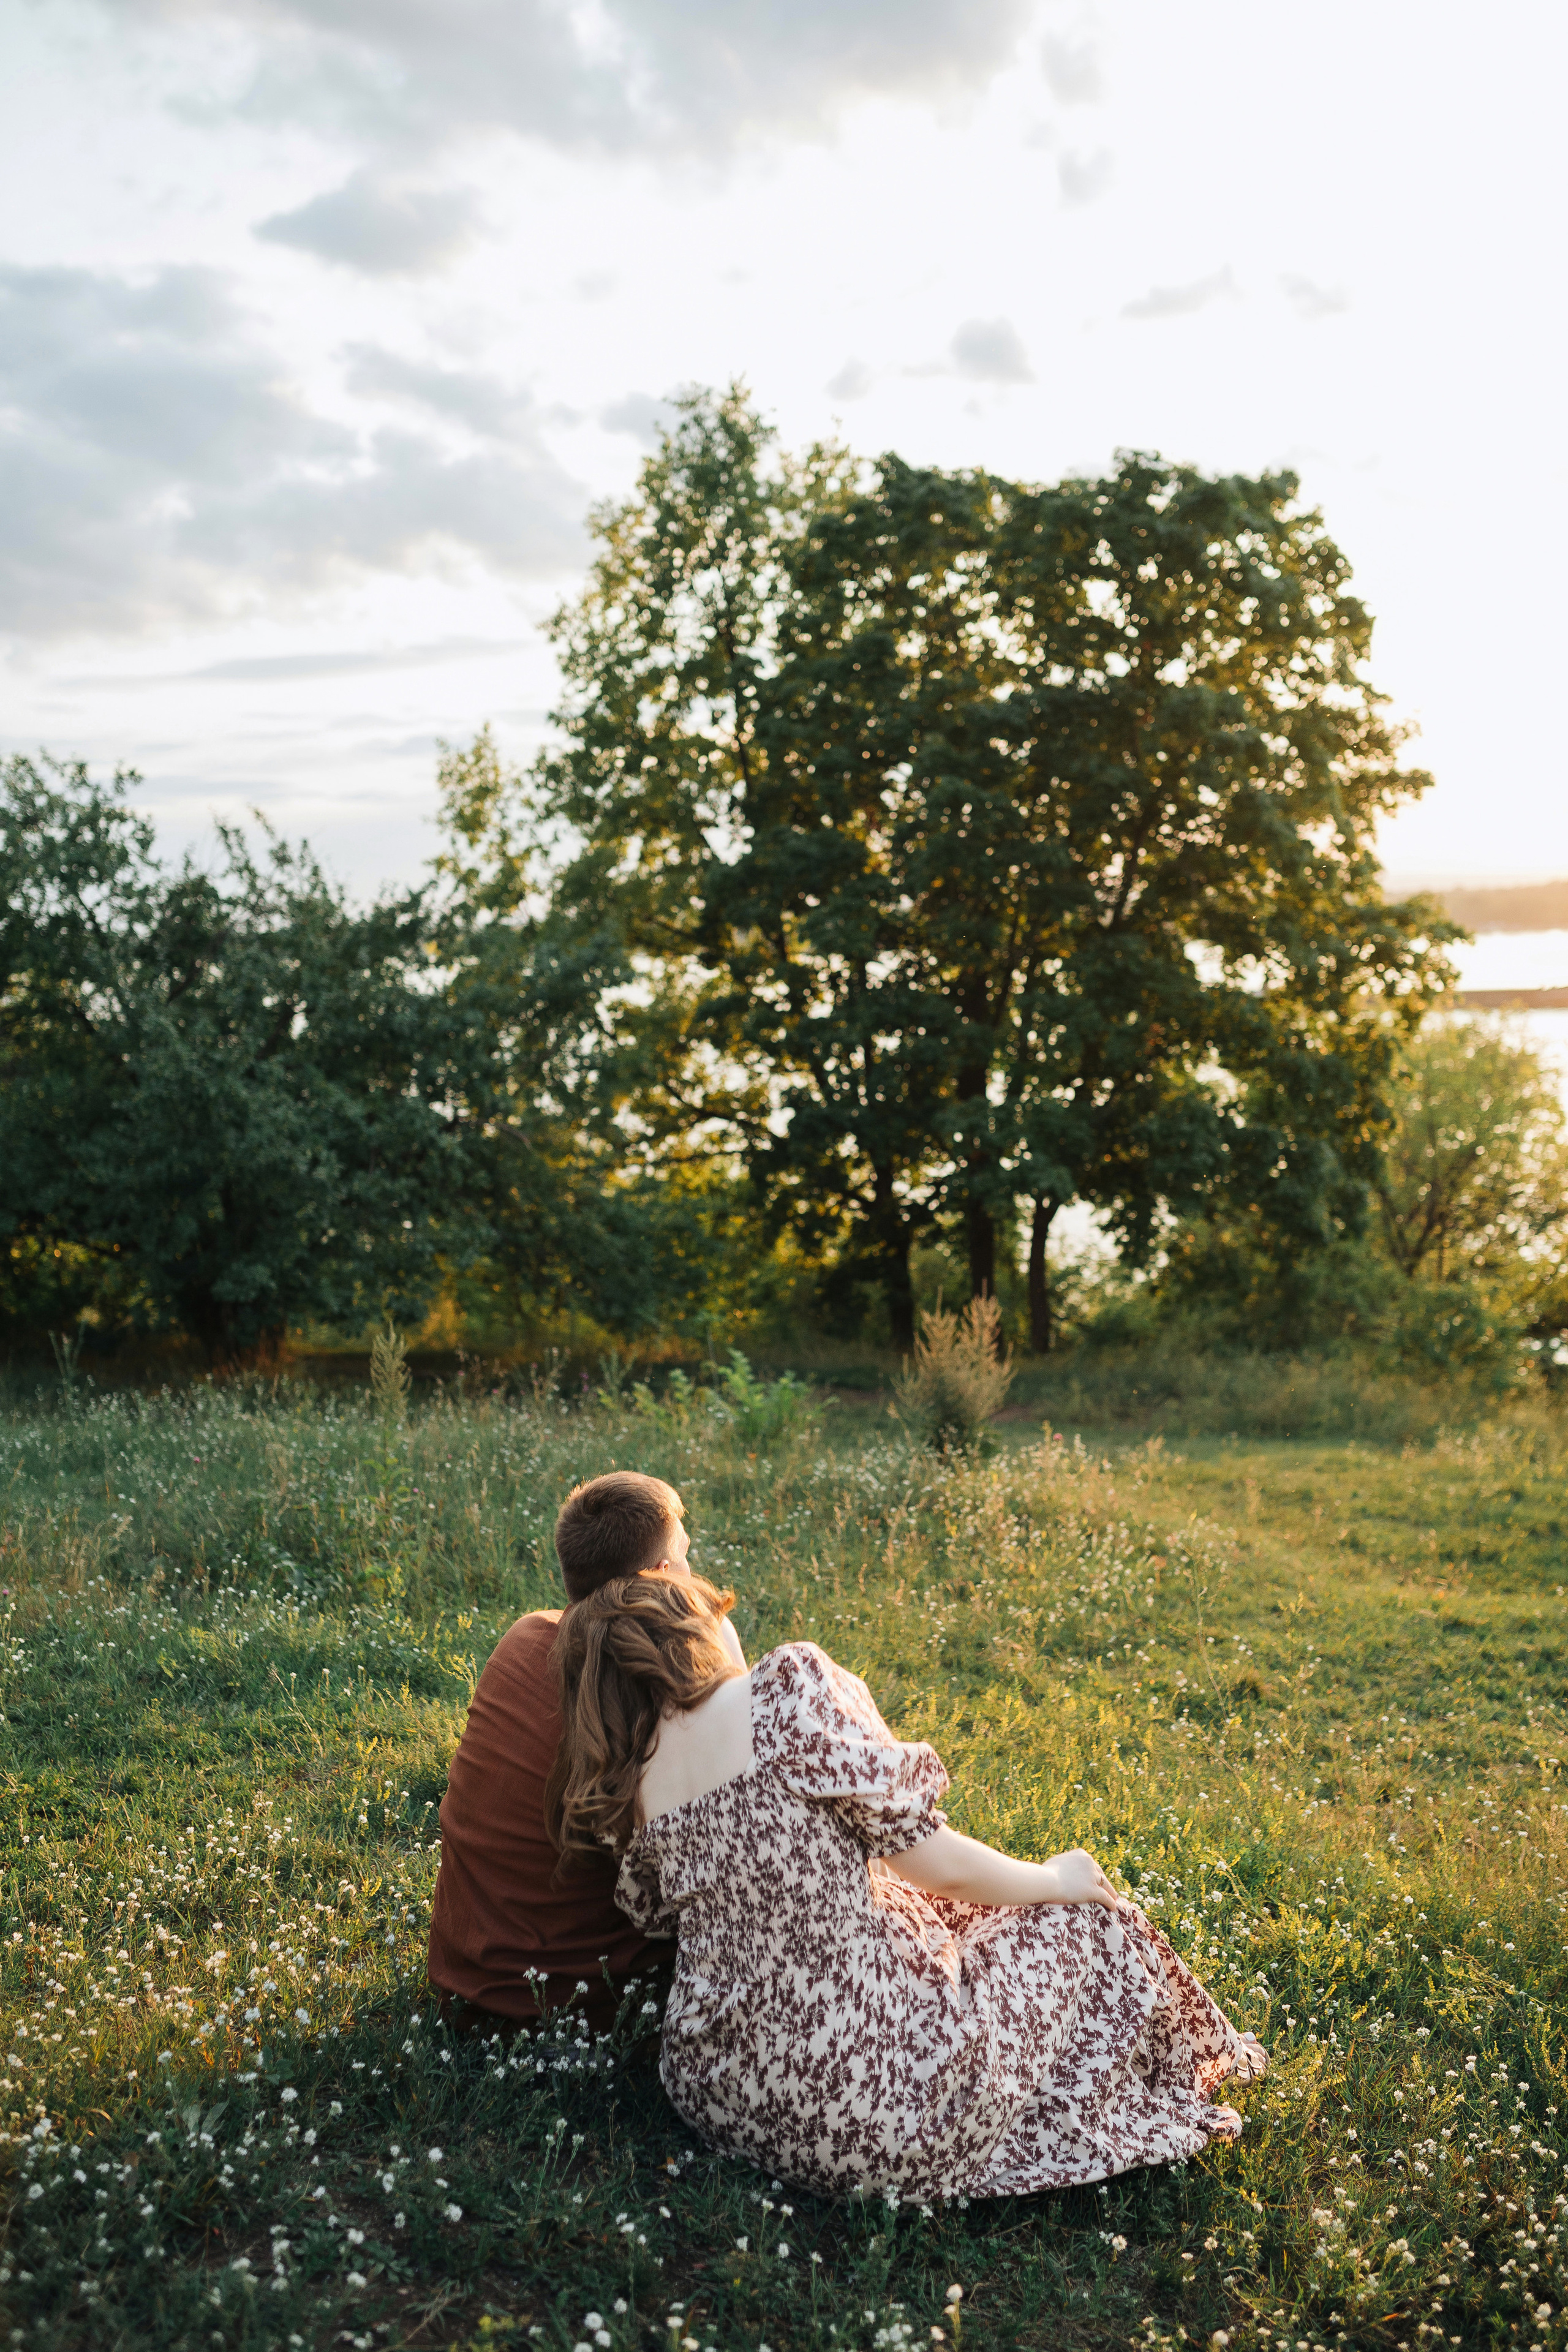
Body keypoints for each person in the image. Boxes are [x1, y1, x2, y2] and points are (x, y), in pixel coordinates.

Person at [548, 1567, 1267, 2199]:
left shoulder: (628, 1786)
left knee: (924, 1914)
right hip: (882, 2112)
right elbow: (932, 1860)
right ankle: (1180, 2068)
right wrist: (1053, 1876)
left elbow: (666, 1916)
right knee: (1086, 1917)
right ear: (695, 1631)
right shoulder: (782, 1687)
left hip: (722, 2096)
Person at [426, 1470, 744, 2032]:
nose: (695, 1575)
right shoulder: (652, 1683)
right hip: (579, 2011)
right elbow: (743, 1828)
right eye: (685, 1559)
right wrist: (727, 1655)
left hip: (461, 1986)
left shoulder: (523, 1637)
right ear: (661, 1577)